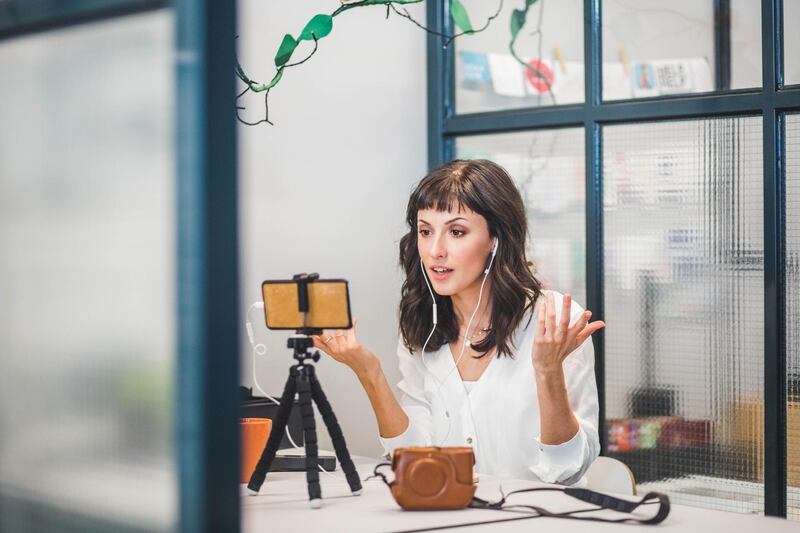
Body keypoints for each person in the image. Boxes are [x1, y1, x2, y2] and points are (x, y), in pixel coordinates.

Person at [311, 159, 605, 484]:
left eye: (456, 232)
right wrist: (368, 371)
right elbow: (411, 457)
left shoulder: (555, 321)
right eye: (425, 231)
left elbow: (568, 467)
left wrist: (548, 372)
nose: (436, 250)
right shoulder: (422, 324)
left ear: (495, 238)